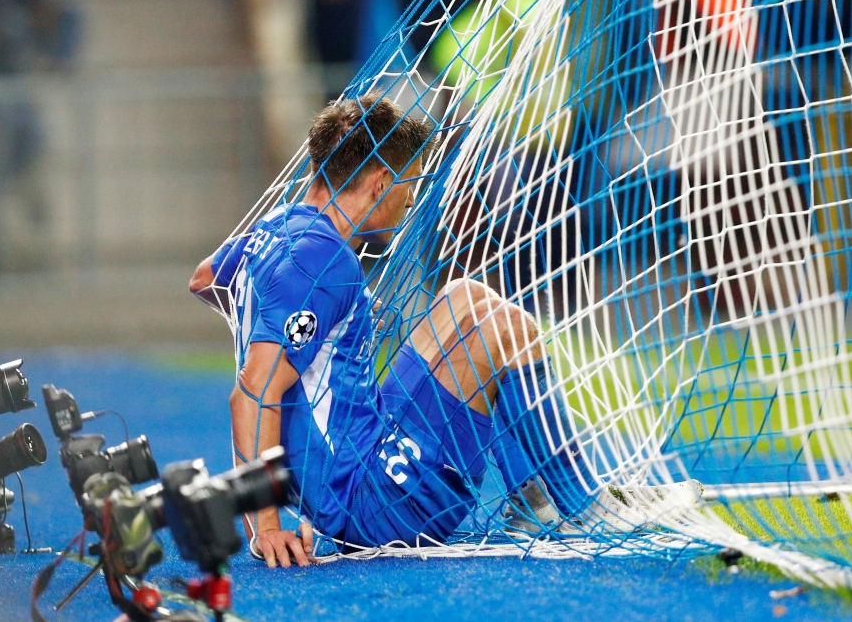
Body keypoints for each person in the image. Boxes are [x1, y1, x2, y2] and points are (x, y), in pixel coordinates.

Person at [188, 94, 628, 568]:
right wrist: (265, 527)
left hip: (364, 453)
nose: (411, 198)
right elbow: (252, 391)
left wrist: (298, 325)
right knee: (502, 329)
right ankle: (580, 504)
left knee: (463, 296)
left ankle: (530, 500)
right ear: (379, 184)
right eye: (408, 183)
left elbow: (205, 278)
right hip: (376, 503)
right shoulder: (325, 261)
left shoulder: (276, 228)